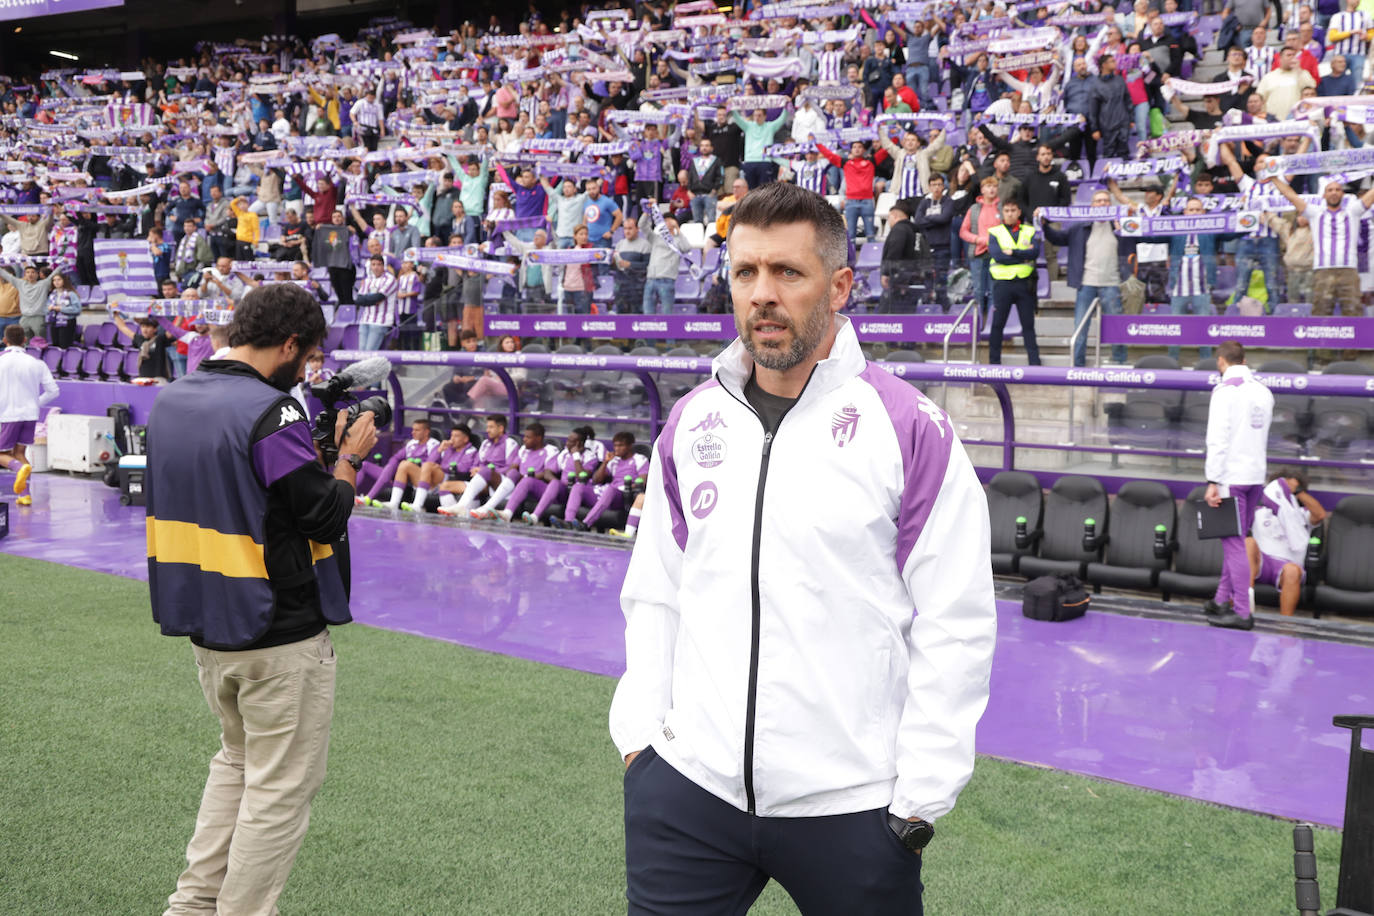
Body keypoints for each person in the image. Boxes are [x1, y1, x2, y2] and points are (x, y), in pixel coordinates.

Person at [609, 182, 996, 913]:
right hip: (690, 793)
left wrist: (917, 802)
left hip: (850, 808)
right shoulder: (692, 424)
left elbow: (957, 622)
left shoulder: (908, 428)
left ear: (840, 285)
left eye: (788, 272)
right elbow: (657, 592)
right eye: (746, 273)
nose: (762, 294)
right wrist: (640, 743)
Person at [148, 283, 377, 916]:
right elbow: (323, 516)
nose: (305, 375)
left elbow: (257, 492)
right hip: (279, 631)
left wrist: (319, 452)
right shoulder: (271, 413)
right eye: (305, 361)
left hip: (208, 623)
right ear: (290, 345)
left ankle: (192, 905)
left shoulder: (173, 398)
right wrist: (350, 458)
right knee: (276, 791)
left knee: (237, 764)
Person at [1203, 341, 1275, 631]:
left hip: (1231, 477)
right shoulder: (1264, 391)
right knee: (1234, 541)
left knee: (1234, 546)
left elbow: (1217, 440)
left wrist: (1212, 480)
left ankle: (1243, 612)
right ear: (1243, 360)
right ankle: (1221, 599)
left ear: (1221, 361)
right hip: (1256, 475)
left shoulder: (1224, 392)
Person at [1038, 189, 1127, 367]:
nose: (1102, 204)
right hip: (1086, 283)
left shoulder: (1120, 226)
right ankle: (1078, 366)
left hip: (1112, 284)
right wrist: (1044, 224)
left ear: (1110, 205)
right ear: (1092, 206)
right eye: (1098, 201)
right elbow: (1057, 238)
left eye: (1105, 201)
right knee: (1081, 327)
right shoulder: (1080, 227)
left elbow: (1130, 248)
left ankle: (1119, 363)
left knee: (1117, 327)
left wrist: (1122, 231)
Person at [1247, 468, 1327, 616]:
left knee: (1292, 571)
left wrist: (1298, 491)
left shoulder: (1302, 515)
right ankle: (1245, 602)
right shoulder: (1258, 511)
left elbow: (1320, 514)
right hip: (1261, 563)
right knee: (1248, 543)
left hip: (1287, 567)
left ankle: (1286, 626)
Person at [0, 323, 59, 507]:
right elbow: (53, 391)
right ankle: (25, 495)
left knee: (3, 454)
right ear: (25, 340)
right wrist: (36, 403)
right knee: (19, 453)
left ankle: (19, 468)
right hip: (30, 415)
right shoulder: (37, 363)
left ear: (4, 340)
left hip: (7, 414)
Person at [986, 198, 1042, 366]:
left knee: (1028, 325)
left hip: (1024, 284)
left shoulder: (1029, 230)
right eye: (1007, 211)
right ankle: (994, 364)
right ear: (1003, 213)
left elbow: (1034, 254)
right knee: (997, 325)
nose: (1010, 214)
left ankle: (1035, 363)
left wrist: (1011, 253)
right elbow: (998, 255)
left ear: (1018, 212)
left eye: (1013, 210)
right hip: (1002, 285)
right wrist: (1021, 255)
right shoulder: (995, 231)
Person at [470, 422, 559, 520]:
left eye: (528, 437)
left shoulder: (551, 450)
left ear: (538, 438)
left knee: (527, 480)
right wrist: (517, 477)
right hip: (520, 485)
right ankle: (487, 507)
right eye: (524, 436)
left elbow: (547, 474)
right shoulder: (524, 449)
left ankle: (501, 511)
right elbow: (513, 467)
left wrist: (525, 478)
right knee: (511, 473)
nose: (524, 439)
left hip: (538, 487)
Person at [439, 414, 518, 517]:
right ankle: (457, 515)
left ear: (501, 428)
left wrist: (489, 470)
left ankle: (462, 507)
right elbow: (477, 464)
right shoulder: (485, 443)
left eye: (491, 427)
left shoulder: (510, 443)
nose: (487, 430)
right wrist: (475, 470)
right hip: (483, 482)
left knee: (485, 471)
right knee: (445, 486)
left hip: (500, 482)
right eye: (487, 427)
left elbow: (510, 468)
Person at [381, 419, 442, 511]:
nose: (413, 432)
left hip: (432, 482)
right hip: (416, 480)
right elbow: (396, 457)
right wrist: (389, 470)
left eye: (417, 430)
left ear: (426, 432)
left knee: (406, 464)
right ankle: (393, 503)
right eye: (413, 429)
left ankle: (417, 505)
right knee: (403, 464)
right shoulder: (411, 443)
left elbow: (430, 463)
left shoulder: (435, 444)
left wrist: (414, 464)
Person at [880, 200, 921, 313]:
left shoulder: (899, 229)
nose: (888, 221)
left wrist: (887, 273)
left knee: (889, 315)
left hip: (898, 280)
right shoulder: (915, 231)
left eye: (889, 217)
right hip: (912, 278)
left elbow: (894, 252)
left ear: (895, 216)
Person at [0, 263, 56, 340]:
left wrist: (64, 263)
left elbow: (53, 275)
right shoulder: (15, 283)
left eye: (33, 272)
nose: (30, 274)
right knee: (22, 341)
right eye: (28, 272)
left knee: (39, 340)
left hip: (30, 317)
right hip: (16, 318)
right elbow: (4, 273)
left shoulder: (41, 284)